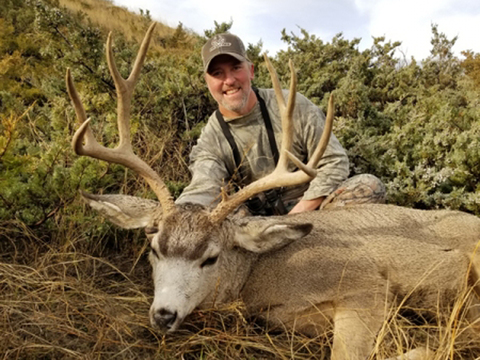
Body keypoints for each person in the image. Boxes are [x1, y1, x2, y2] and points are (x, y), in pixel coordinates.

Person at [176, 33, 385, 215]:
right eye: (217, 73)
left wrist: (299, 213)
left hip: (313, 211)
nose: (229, 80)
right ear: (207, 81)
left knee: (368, 187)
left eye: (236, 68)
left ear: (251, 71)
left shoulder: (291, 104)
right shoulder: (211, 139)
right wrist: (172, 216)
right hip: (259, 225)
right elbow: (203, 189)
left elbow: (334, 161)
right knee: (218, 218)